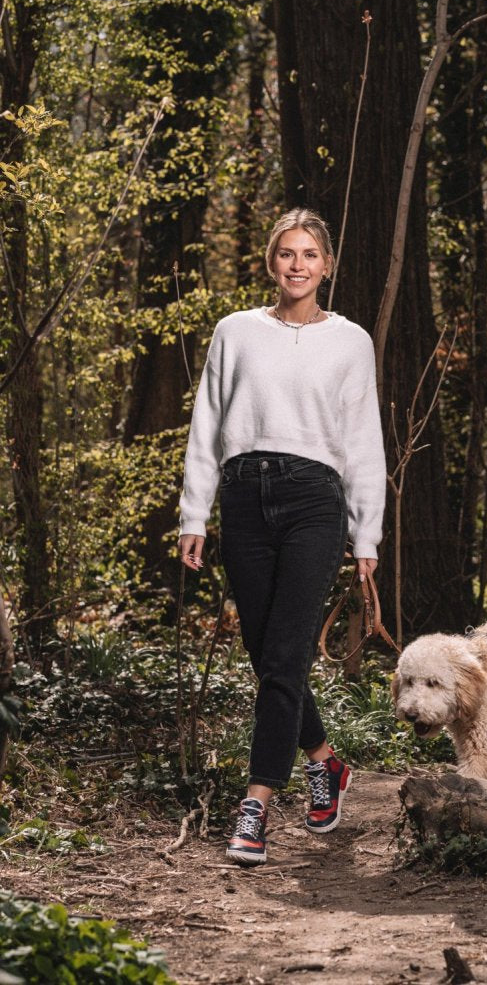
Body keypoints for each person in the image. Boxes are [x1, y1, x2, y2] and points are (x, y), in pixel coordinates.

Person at [178, 207, 386, 866]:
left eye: (309, 254)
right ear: (271, 262)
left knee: (286, 654)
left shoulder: (350, 342)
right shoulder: (234, 332)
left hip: (313, 504)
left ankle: (256, 804)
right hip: (242, 499)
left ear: (325, 265)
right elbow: (206, 424)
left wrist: (366, 534)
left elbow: (362, 443)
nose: (296, 264)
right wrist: (193, 513)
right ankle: (325, 760)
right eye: (285, 254)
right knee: (271, 656)